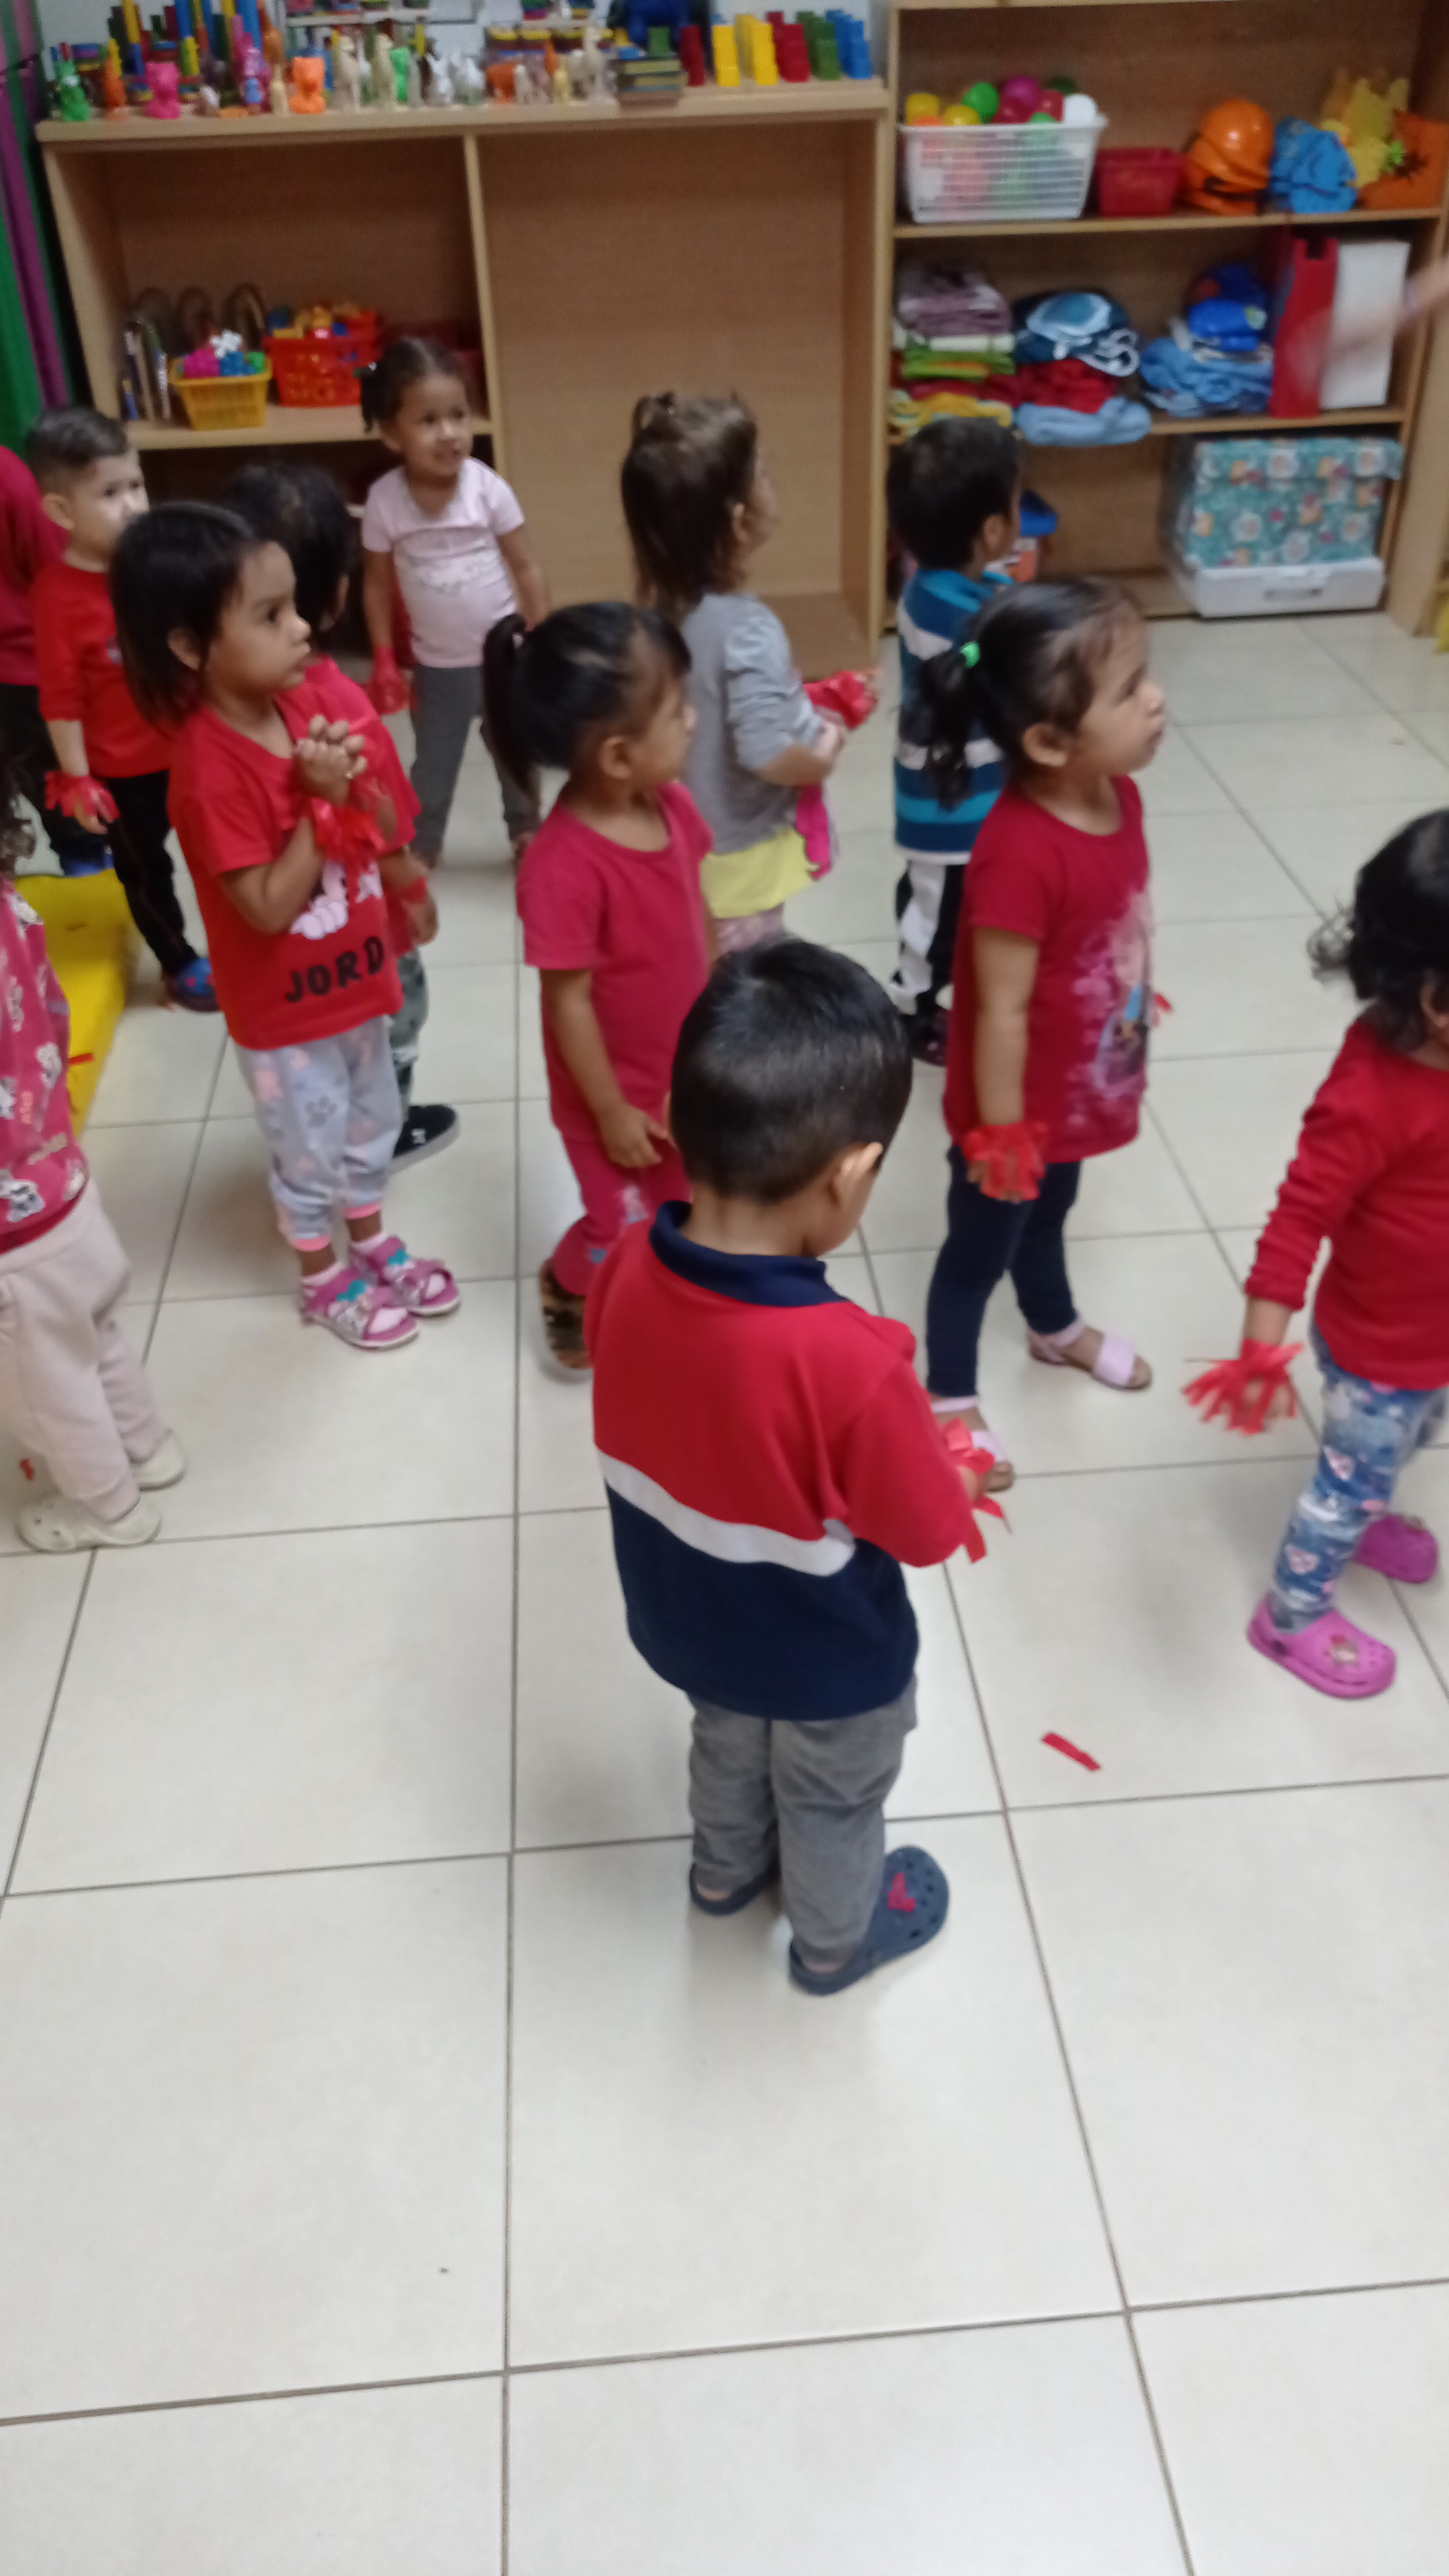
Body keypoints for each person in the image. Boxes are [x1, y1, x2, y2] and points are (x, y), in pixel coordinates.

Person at [589, 941, 992, 1994]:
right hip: (828, 1660)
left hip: (691, 1619)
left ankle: (723, 1875)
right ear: (850, 1174)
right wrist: (961, 1480)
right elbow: (922, 1530)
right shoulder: (850, 1362)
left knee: (725, 1744)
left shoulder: (622, 1269)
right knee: (830, 1797)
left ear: (674, 1118)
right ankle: (832, 1942)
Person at [111, 501, 458, 1350]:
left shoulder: (303, 708)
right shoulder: (207, 768)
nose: (301, 628)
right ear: (190, 647)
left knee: (372, 1120)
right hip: (286, 1017)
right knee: (308, 1150)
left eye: (294, 605)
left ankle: (369, 1239)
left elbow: (376, 821)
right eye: (270, 616)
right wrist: (319, 805)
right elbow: (265, 907)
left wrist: (369, 801)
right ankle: (320, 1276)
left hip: (358, 979)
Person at [1187, 812, 1449, 1701]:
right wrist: (1259, 1351)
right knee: (1347, 1487)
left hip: (1432, 1342)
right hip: (1379, 1355)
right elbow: (1299, 1218)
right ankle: (1292, 1615)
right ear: (1438, 1001)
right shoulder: (1371, 1097)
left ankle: (1366, 1512)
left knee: (1415, 1439)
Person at [918, 580, 1167, 1493]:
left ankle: (1053, 1326)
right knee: (976, 1252)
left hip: (1077, 1089)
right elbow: (1000, 1010)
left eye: (1147, 676)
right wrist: (1000, 1136)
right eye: (1129, 689)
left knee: (1053, 1213)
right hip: (1012, 1113)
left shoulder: (1118, 796)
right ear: (1050, 742)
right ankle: (948, 1399)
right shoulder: (1021, 853)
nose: (1156, 698)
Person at [485, 600, 712, 1373]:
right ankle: (568, 1281)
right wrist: (612, 1109)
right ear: (617, 755)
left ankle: (664, 1306)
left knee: (680, 1212)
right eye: (677, 711)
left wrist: (720, 1011)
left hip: (681, 1081)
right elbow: (568, 1002)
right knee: (617, 1225)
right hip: (605, 1100)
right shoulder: (564, 867)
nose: (693, 720)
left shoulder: (671, 805)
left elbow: (697, 909)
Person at [223, 461, 458, 1169]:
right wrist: (414, 890)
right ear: (340, 597)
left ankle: (327, 1130)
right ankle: (386, 1131)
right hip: (363, 921)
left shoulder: (219, 711)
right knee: (396, 1023)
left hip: (288, 946)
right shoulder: (343, 707)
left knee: (320, 1044)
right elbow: (386, 832)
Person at [0, 766, 184, 1551]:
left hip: (12, 1244)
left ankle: (109, 1510)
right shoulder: (11, 905)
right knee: (98, 1329)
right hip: (64, 1185)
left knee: (47, 1390)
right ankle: (148, 1448)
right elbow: (50, 1012)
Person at [621, 391, 844, 953]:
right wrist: (822, 755)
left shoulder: (663, 612)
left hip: (684, 843)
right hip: (741, 858)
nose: (772, 478)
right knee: (740, 985)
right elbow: (765, 752)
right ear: (740, 521)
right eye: (762, 472)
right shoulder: (748, 629)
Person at [28, 407, 215, 1008]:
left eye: (137, 485)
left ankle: (242, 937)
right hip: (121, 776)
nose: (133, 505)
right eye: (110, 493)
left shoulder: (156, 567)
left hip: (191, 748)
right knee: (146, 870)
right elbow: (60, 698)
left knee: (220, 851)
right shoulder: (57, 597)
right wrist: (79, 781)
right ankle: (178, 962)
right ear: (62, 511)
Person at [359, 337, 549, 865]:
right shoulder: (384, 502)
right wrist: (383, 658)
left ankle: (525, 827)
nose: (449, 433)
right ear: (392, 433)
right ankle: (425, 841)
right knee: (434, 761)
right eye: (428, 421)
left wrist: (542, 636)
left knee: (515, 750)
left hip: (504, 656)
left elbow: (527, 566)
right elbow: (375, 584)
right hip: (437, 666)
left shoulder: (488, 489)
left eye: (459, 415)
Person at [886, 418, 1020, 1065]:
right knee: (936, 914)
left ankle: (945, 988)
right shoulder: (959, 616)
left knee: (944, 899)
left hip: (965, 797)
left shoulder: (945, 588)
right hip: (949, 805)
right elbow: (987, 664)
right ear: (993, 531)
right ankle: (913, 1010)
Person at [0, 441, 113, 877]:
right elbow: (56, 572)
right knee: (72, 813)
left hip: (24, 676)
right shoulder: (9, 475)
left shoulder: (9, 477)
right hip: (26, 672)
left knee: (62, 801)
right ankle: (88, 868)